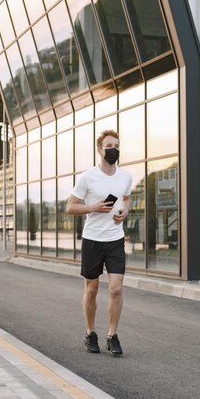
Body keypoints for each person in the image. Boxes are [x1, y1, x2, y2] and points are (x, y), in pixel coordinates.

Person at [66, 129, 132, 356]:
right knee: (92, 289)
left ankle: (112, 336)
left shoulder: (125, 176)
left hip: (115, 238)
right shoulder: (88, 177)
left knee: (116, 289)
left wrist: (124, 212)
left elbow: (126, 198)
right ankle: (90, 332)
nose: (113, 150)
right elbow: (70, 206)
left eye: (116, 145)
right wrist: (93, 207)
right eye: (109, 146)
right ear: (99, 150)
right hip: (92, 239)